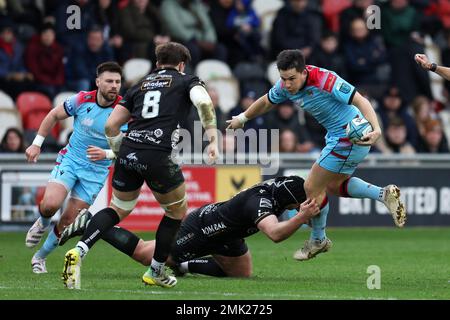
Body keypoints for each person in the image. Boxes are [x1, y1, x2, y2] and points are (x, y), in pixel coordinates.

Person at [62, 42, 219, 289]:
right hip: (157, 155)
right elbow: (204, 104)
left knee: (118, 209)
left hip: (128, 153)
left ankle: (79, 251)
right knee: (176, 212)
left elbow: (111, 125)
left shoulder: (139, 85)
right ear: (181, 64)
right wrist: (213, 140)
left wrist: (119, 152)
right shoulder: (187, 80)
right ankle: (155, 271)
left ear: (157, 64)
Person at [226, 49, 407, 262]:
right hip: (336, 137)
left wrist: (376, 129)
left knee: (312, 187)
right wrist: (243, 117)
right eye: (283, 79)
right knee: (332, 186)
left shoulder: (325, 79)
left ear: (304, 72)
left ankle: (318, 239)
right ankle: (383, 194)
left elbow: (361, 100)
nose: (287, 84)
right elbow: (266, 101)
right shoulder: (286, 86)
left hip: (350, 135)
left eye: (292, 78)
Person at [59, 176, 319, 278]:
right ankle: (93, 224)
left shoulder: (280, 189)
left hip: (229, 230)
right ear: (289, 199)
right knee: (144, 255)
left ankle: (182, 266)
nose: (300, 206)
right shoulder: (261, 203)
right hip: (204, 228)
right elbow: (274, 234)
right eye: (298, 203)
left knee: (241, 273)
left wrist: (303, 212)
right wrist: (299, 217)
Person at [24, 61, 123, 274]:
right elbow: (53, 115)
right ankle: (42, 222)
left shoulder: (123, 111)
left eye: (117, 81)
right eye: (109, 81)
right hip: (71, 160)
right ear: (98, 82)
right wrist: (36, 143)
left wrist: (106, 153)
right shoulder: (82, 99)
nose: (114, 85)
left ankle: (39, 258)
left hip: (96, 172)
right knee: (50, 205)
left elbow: (130, 148)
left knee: (68, 221)